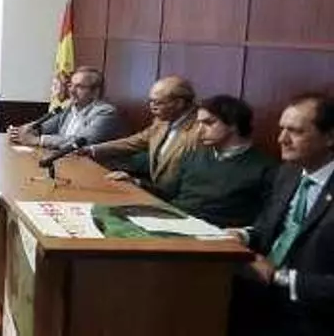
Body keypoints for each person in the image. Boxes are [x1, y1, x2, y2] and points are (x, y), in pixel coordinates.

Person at [228, 94, 334, 336]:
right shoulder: (288, 172)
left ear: (330, 137)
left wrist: (279, 277)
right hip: (259, 296)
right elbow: (266, 227)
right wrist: (242, 236)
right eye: (281, 129)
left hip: (311, 312)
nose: (282, 139)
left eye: (295, 131)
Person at [165, 95, 278, 227]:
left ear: (233, 124)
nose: (199, 130)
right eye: (198, 123)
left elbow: (267, 219)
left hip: (215, 231)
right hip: (174, 220)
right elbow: (168, 192)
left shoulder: (266, 167)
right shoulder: (194, 154)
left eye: (208, 123)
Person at [81, 76, 200, 196]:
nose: (152, 106)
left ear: (179, 103)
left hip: (180, 198)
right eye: (150, 101)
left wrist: (139, 183)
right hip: (155, 192)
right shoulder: (161, 122)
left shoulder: (199, 131)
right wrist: (91, 150)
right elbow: (135, 141)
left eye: (157, 102)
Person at [7, 66, 121, 150]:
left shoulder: (105, 112)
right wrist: (21, 131)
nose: (71, 91)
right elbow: (43, 127)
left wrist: (37, 140)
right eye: (71, 85)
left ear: (95, 92)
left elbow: (81, 141)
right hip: (67, 160)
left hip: (94, 167)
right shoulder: (69, 107)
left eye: (79, 87)